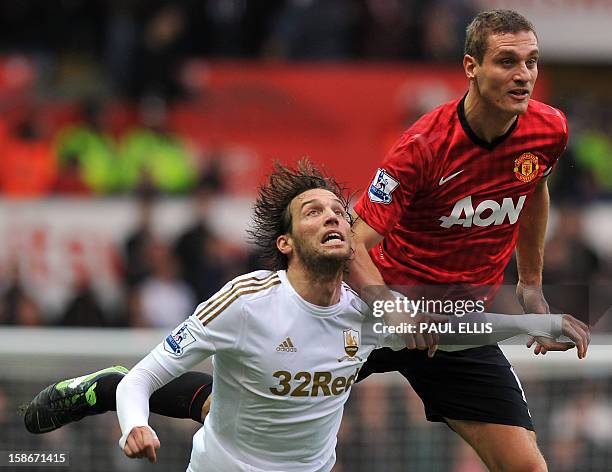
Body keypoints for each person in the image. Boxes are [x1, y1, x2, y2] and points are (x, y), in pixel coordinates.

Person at [22, 160, 587, 471]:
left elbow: (463, 331)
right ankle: (102, 386)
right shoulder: (244, 302)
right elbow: (149, 375)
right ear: (287, 243)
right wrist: (134, 422)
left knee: (255, 391)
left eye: (340, 211)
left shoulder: (365, 316)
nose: (334, 218)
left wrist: (541, 324)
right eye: (313, 212)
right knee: (242, 391)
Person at [346, 9, 590, 472]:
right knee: (272, 421)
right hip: (375, 315)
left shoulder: (549, 128)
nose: (524, 76)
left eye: (532, 62)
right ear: (470, 67)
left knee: (527, 468)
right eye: (507, 62)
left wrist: (531, 285)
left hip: (458, 326)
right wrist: (390, 306)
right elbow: (354, 241)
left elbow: (534, 187)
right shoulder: (422, 146)